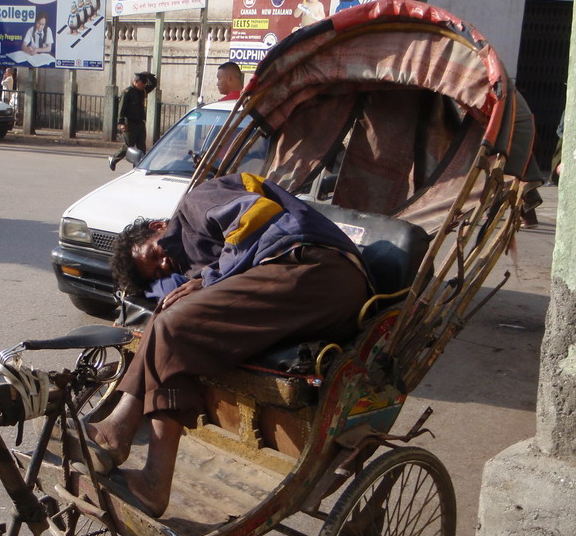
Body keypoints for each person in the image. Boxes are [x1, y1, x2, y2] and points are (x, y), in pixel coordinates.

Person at [79, 173, 371, 517]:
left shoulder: (197, 203)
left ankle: (145, 470)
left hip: (317, 269)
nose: (163, 266)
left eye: (155, 255)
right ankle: (118, 432)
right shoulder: (191, 264)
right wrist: (193, 283)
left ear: (160, 226)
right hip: (300, 288)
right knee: (168, 321)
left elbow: (254, 217)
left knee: (175, 324)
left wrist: (208, 280)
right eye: (156, 273)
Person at [108, 72, 157, 171]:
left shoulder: (143, 91)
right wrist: (121, 123)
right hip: (129, 124)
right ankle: (114, 158)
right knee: (129, 146)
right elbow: (121, 108)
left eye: (145, 84)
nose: (144, 86)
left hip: (140, 123)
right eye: (142, 83)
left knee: (141, 148)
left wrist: (149, 76)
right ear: (136, 81)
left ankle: (137, 167)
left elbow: (153, 84)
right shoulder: (127, 92)